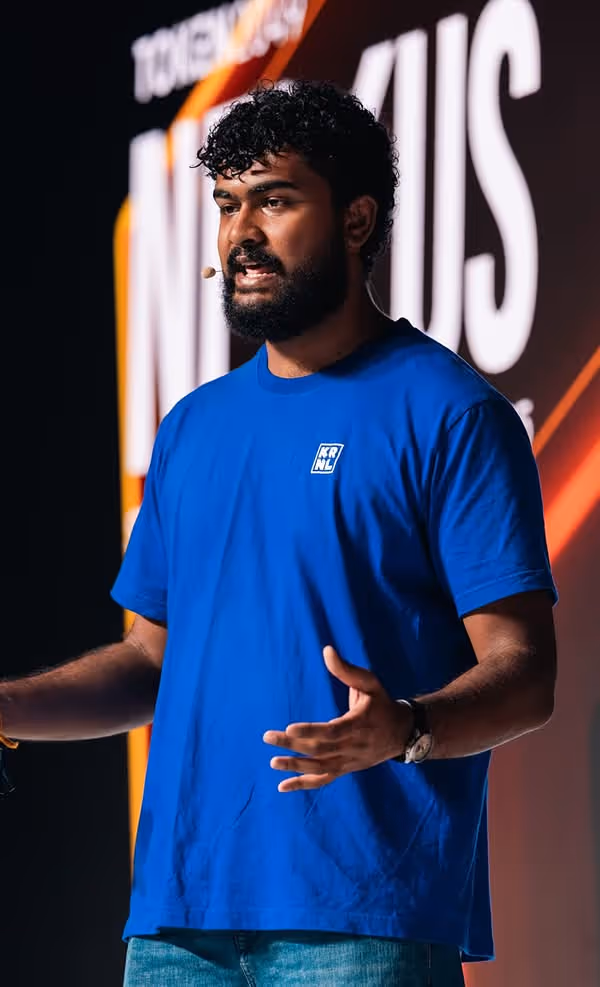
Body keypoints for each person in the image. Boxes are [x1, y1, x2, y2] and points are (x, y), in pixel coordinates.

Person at [0, 81, 557, 986]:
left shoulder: (452, 413)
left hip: (364, 923)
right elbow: (148, 664)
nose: (240, 233)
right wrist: (9, 705)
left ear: (357, 219)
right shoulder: (193, 427)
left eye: (275, 200)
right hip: (178, 924)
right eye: (228, 204)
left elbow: (526, 673)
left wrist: (408, 728)